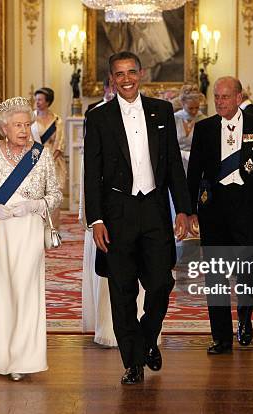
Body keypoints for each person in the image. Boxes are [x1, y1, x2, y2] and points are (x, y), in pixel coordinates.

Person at [84, 51, 191, 385]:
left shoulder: (161, 110)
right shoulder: (98, 116)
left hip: (155, 211)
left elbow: (173, 163)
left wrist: (184, 209)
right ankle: (133, 362)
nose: (127, 79)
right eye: (119, 74)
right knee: (122, 291)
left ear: (141, 73)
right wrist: (96, 219)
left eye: (132, 72)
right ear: (112, 78)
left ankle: (147, 339)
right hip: (117, 215)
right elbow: (92, 173)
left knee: (161, 282)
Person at [0, 96, 62, 381]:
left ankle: (25, 358)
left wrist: (34, 206)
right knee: (2, 292)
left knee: (26, 290)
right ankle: (4, 357)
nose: (24, 130)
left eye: (27, 124)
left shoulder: (41, 155)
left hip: (29, 230)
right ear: (4, 128)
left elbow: (55, 194)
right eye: (18, 125)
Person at [186, 76, 253, 354]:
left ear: (239, 98)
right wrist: (190, 210)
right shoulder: (204, 129)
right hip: (214, 209)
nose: (219, 102)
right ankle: (221, 338)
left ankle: (246, 320)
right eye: (216, 97)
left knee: (247, 272)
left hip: (249, 209)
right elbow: (194, 173)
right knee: (215, 275)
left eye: (225, 97)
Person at [31, 87, 65, 228]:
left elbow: (60, 143)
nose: (37, 102)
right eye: (36, 99)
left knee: (53, 198)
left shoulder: (57, 121)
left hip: (54, 162)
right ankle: (35, 229)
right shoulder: (30, 119)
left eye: (40, 100)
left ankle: (52, 230)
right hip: (33, 162)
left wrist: (50, 160)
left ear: (48, 102)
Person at [174, 84, 207, 173]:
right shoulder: (175, 119)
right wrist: (183, 154)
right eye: (190, 108)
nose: (194, 111)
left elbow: (207, 147)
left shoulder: (204, 120)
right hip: (176, 164)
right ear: (182, 103)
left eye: (197, 107)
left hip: (197, 165)